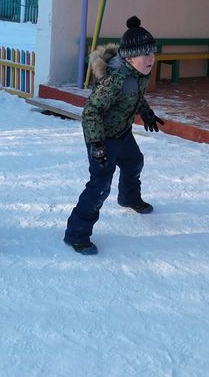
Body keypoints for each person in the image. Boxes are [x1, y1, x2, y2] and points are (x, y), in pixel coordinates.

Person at [64, 16, 165, 255]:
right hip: (103, 138)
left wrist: (147, 113)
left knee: (134, 162)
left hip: (122, 132)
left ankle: (129, 198)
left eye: (152, 53)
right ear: (129, 57)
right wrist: (97, 144)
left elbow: (136, 97)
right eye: (145, 55)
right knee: (100, 185)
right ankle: (76, 234)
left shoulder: (139, 74)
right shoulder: (114, 80)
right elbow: (91, 112)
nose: (150, 58)